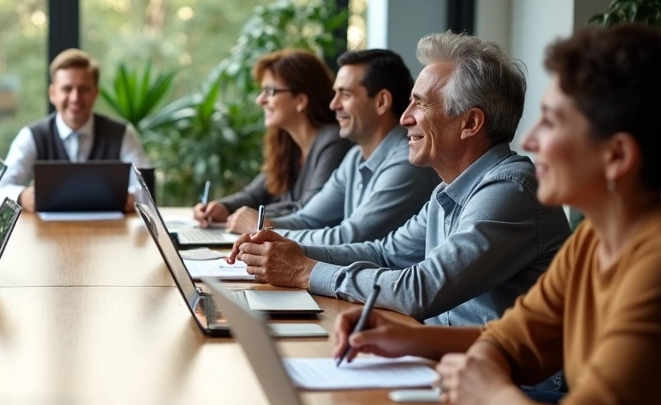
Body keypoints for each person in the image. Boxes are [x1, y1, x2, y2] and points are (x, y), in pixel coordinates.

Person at [331, 24, 661, 405]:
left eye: (551, 123)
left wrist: (490, 395)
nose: (530, 139)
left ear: (616, 157)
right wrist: (409, 339)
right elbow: (514, 338)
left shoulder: (652, 262)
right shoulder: (594, 237)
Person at [229, 32, 571, 327]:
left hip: (514, 389)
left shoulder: (511, 190)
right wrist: (291, 251)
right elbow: (385, 253)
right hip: (448, 366)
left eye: (419, 105)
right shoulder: (447, 191)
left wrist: (304, 270)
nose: (405, 118)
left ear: (470, 123)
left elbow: (420, 289)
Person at [227, 49, 439, 243]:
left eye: (345, 95)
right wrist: (265, 228)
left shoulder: (407, 161)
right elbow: (308, 218)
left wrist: (265, 231)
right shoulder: (355, 156)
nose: (333, 104)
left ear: (382, 102)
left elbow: (350, 236)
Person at [194, 49, 353, 227]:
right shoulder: (287, 144)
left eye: (270, 91)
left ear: (301, 100)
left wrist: (255, 219)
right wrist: (223, 207)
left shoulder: (334, 142)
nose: (260, 100)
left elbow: (309, 212)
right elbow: (254, 195)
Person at [0, 48, 152, 212]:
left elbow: (147, 188)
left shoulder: (122, 134)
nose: (75, 98)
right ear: (53, 93)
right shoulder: (33, 135)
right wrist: (22, 196)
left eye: (84, 89)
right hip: (46, 234)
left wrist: (132, 197)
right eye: (67, 89)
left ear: (96, 93)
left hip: (110, 233)